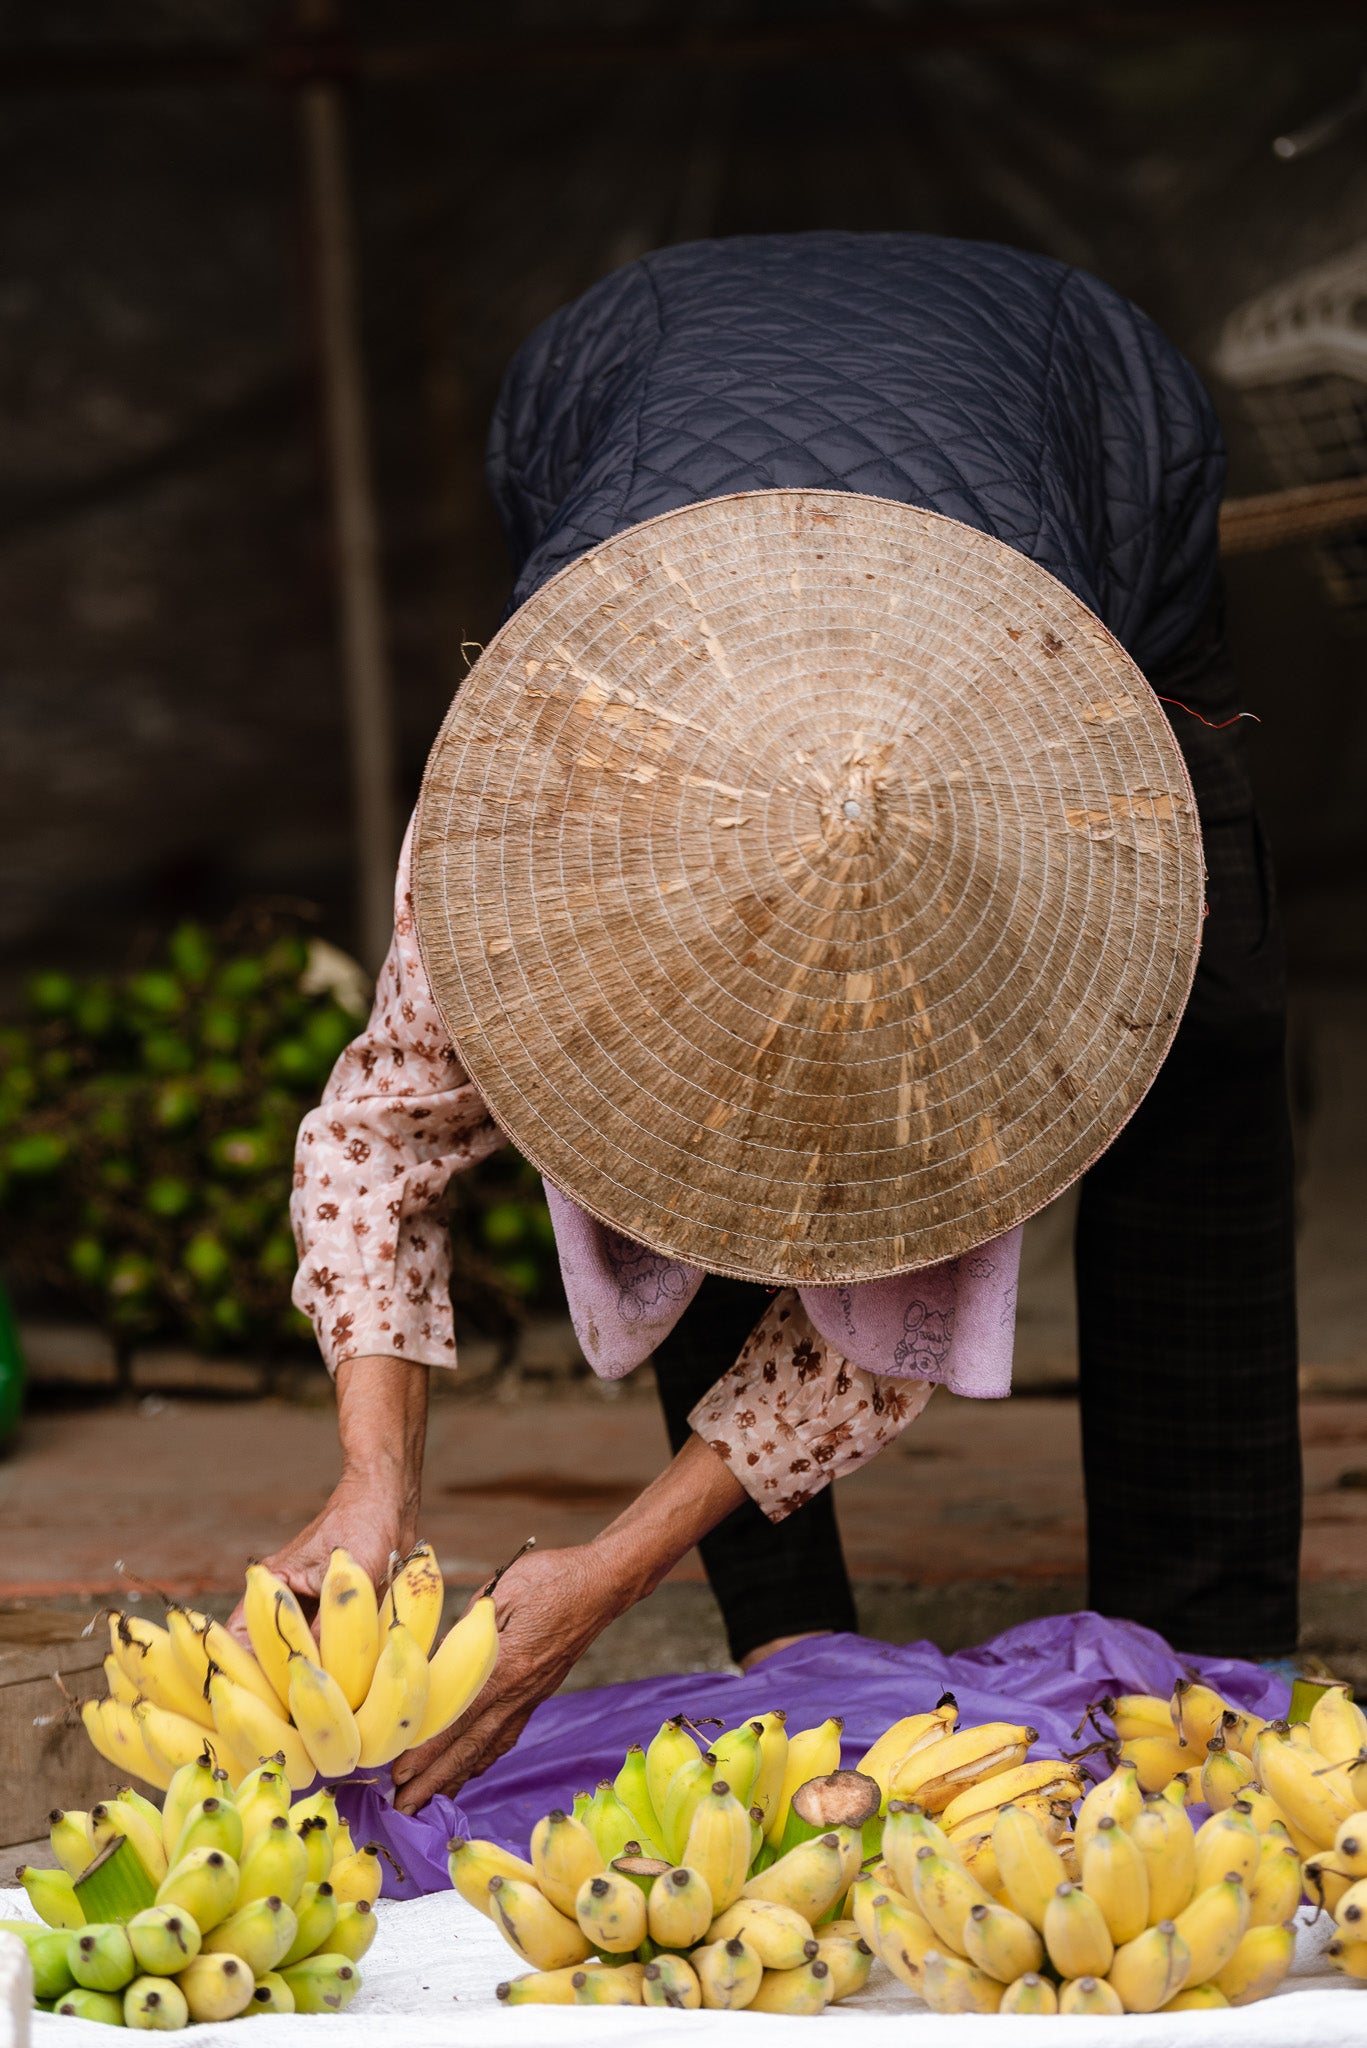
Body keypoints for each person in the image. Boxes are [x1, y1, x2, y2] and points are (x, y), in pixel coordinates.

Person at [248, 234, 1299, 1816]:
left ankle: (1209, 1666)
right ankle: (791, 1655)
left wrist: (603, 1572)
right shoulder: (513, 839)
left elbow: (891, 1331)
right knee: (703, 1134)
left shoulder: (1015, 903)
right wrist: (374, 1478)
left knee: (1196, 1057)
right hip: (639, 369)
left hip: (1074, 401)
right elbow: (379, 1134)